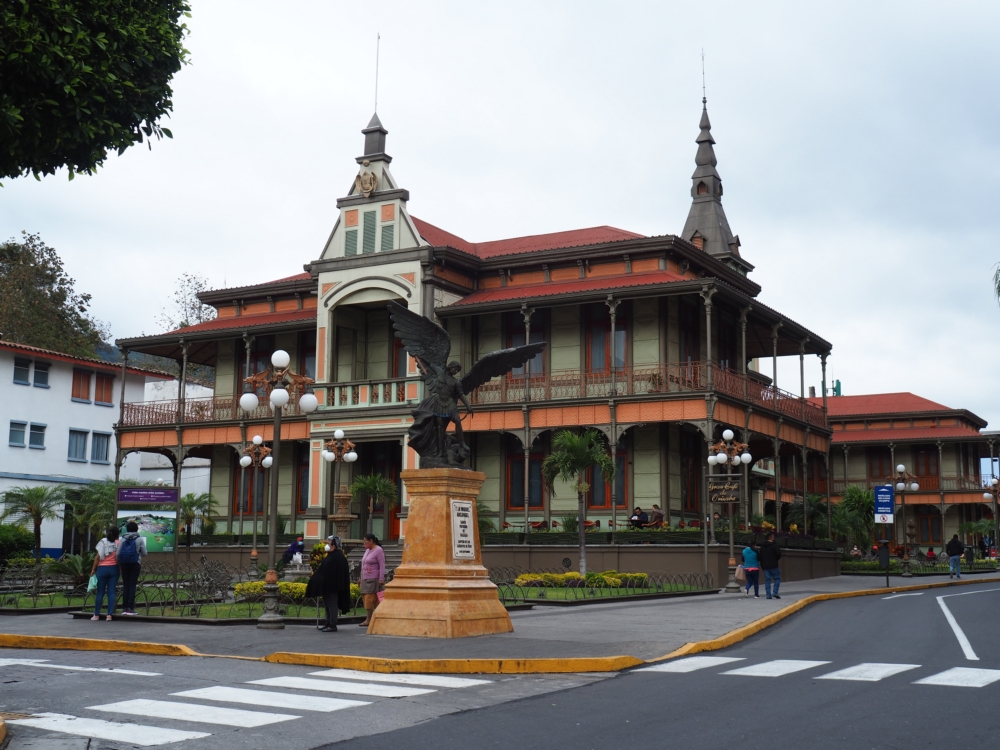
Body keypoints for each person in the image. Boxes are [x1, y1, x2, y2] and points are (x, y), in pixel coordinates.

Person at [305, 536, 351, 632]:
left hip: (332, 586)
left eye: (329, 544)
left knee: (332, 604)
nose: (327, 545)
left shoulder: (338, 556)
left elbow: (337, 573)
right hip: (327, 585)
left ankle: (332, 624)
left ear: (334, 546)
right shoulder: (332, 555)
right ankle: (328, 622)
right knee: (327, 604)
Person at [90, 526, 120, 621]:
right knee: (111, 592)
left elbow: (98, 557)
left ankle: (96, 615)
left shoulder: (103, 542)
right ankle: (109, 615)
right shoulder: (118, 543)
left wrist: (93, 569)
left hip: (102, 569)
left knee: (100, 592)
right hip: (114, 569)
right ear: (117, 535)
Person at [117, 521, 147, 616]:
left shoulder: (123, 539)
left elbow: (118, 553)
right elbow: (144, 553)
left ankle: (124, 608)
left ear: (127, 529)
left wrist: (120, 563)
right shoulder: (139, 539)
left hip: (124, 564)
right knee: (132, 585)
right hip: (135, 563)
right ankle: (130, 608)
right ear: (136, 529)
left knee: (126, 585)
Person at [359, 533, 385, 628]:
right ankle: (369, 618)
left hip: (373, 579)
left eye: (365, 541)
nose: (364, 543)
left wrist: (381, 578)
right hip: (365, 578)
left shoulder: (378, 550)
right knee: (366, 598)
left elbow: (382, 565)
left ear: (371, 541)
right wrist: (360, 577)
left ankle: (370, 619)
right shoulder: (367, 550)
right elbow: (363, 564)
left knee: (370, 599)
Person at [758, 532, 782, 599]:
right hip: (774, 565)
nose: (774, 538)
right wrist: (775, 559)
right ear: (771, 538)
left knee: (767, 580)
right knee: (777, 578)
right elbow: (779, 554)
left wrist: (763, 565)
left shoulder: (762, 547)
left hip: (766, 566)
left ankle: (768, 595)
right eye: (773, 537)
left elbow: (760, 557)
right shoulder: (775, 545)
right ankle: (775, 592)